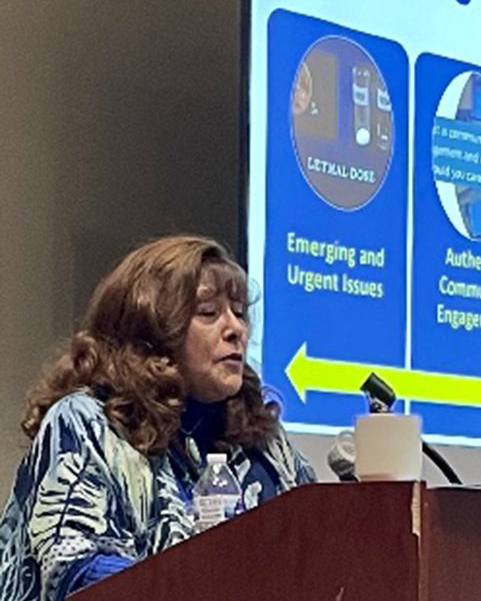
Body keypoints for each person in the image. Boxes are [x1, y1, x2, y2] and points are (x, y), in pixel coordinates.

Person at [0, 235, 316, 601]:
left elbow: (315, 551)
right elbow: (76, 571)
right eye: (209, 313)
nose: (236, 330)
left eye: (240, 312)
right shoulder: (86, 423)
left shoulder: (262, 441)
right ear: (151, 330)